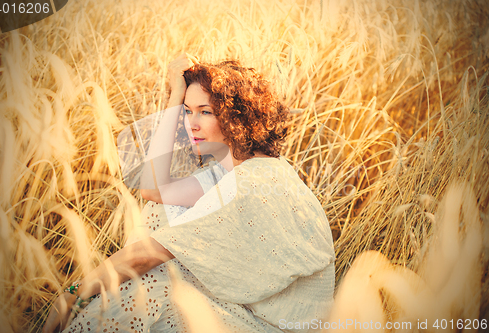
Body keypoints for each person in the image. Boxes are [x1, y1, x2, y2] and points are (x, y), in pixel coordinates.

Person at [43, 54, 335, 333]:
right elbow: (154, 190)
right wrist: (174, 97)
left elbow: (147, 257)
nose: (191, 124)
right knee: (159, 214)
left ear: (237, 117)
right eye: (187, 112)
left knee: (151, 281)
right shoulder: (229, 172)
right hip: (246, 312)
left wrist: (76, 293)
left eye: (205, 112)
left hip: (274, 327)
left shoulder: (256, 178)